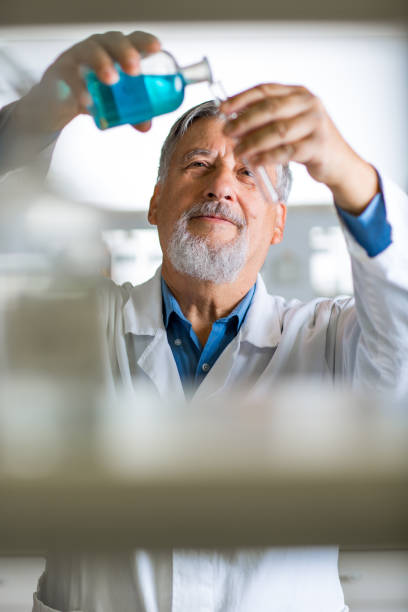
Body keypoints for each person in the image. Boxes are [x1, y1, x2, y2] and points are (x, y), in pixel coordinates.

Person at [1, 30, 407, 612]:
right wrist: (43, 112)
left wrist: (345, 170)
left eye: (249, 175)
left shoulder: (332, 342)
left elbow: (400, 316)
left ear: (277, 224)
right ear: (155, 201)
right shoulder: (75, 326)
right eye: (199, 164)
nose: (221, 185)